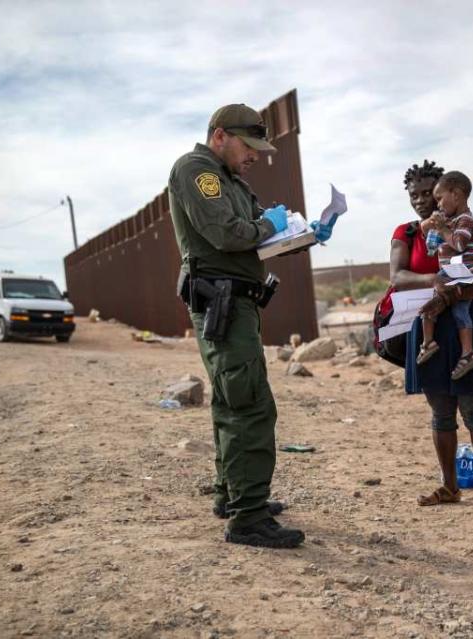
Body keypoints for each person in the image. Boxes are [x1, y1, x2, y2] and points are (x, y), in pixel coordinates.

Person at [168, 103, 305, 549]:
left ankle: (234, 496)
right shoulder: (197, 170)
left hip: (236, 300)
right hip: (221, 301)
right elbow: (229, 233)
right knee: (249, 405)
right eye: (250, 147)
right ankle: (248, 518)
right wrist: (269, 224)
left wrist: (296, 235)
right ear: (221, 135)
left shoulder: (229, 180)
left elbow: (250, 236)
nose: (255, 157)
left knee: (232, 401)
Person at [390, 160, 473, 513]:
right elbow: (397, 276)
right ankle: (449, 486)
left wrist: (454, 289)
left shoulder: (465, 226)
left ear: (447, 192)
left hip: (463, 320)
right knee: (440, 411)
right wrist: (433, 283)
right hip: (428, 328)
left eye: (430, 193)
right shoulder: (407, 233)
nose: (424, 201)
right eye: (416, 195)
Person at [416, 170, 473, 380]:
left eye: (439, 198)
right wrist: (431, 226)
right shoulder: (452, 219)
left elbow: (458, 244)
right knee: (460, 314)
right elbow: (427, 236)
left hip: (460, 274)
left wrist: (443, 228)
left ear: (456, 194)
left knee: (429, 304)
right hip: (454, 274)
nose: (437, 204)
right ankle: (467, 353)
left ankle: (429, 342)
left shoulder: (465, 220)